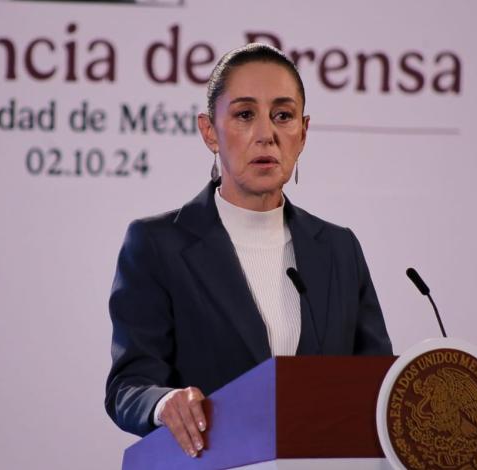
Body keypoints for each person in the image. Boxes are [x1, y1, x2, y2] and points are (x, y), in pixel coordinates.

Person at [104, 43, 392, 458]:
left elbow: (376, 382)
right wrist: (162, 403)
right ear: (209, 131)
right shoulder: (157, 244)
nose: (266, 134)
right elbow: (128, 386)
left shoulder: (337, 248)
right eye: (244, 115)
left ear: (303, 132)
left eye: (283, 115)